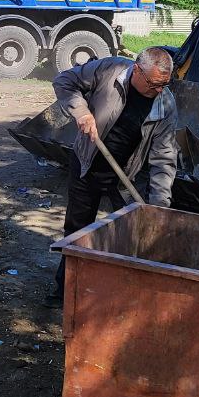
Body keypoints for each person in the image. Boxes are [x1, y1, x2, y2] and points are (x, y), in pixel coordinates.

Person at [50, 47, 179, 301]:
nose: (160, 90)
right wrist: (81, 110)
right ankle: (65, 291)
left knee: (131, 234)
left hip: (125, 176)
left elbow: (164, 158)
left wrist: (159, 206)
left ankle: (120, 294)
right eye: (154, 84)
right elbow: (64, 81)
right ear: (137, 71)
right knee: (78, 230)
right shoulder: (109, 71)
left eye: (165, 84)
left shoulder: (165, 104)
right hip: (87, 162)